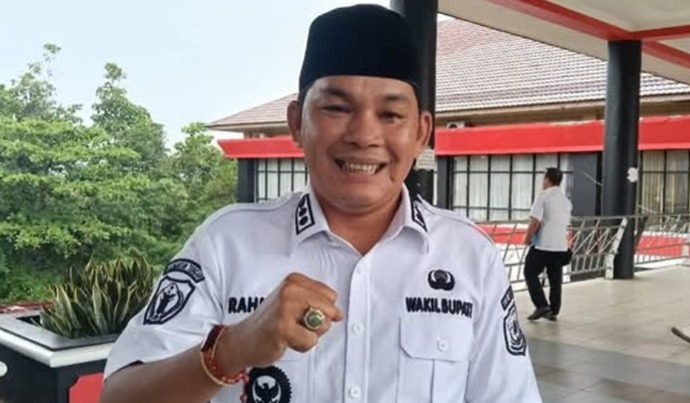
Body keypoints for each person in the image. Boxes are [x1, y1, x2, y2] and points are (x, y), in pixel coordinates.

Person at [100, 5, 542, 403]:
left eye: (390, 115)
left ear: (421, 133)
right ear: (297, 123)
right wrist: (231, 348)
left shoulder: (470, 256)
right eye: (336, 108)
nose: (363, 135)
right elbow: (119, 397)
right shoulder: (226, 243)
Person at [523, 168, 572, 322]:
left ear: (548, 180)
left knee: (529, 272)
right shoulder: (565, 201)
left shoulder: (543, 196)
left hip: (543, 245)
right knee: (555, 278)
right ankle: (553, 310)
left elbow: (535, 222)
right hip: (561, 246)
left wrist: (527, 238)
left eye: (544, 178)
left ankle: (541, 305)